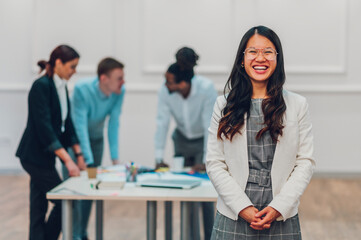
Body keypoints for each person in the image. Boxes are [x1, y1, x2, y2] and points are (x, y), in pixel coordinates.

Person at [206, 25, 315, 239]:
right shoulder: (223, 105)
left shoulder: (297, 104)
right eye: (253, 52)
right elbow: (215, 162)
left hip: (281, 214)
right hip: (233, 213)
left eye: (267, 52)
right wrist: (242, 207)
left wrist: (279, 207)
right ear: (242, 59)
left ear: (277, 58)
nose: (260, 58)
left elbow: (305, 162)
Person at [16, 45, 85, 240]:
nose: (74, 71)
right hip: (33, 155)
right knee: (64, 200)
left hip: (45, 157)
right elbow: (44, 128)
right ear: (58, 63)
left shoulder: (61, 86)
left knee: (39, 204)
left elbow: (67, 124)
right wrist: (67, 161)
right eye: (72, 66)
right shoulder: (41, 86)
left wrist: (78, 155)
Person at [154, 47, 217, 240]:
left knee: (205, 194)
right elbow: (162, 122)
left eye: (169, 82)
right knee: (185, 191)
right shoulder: (166, 93)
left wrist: (207, 160)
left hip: (202, 142)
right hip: (181, 140)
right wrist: (158, 157)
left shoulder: (206, 89)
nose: (165, 85)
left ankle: (209, 237)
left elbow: (210, 125)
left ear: (182, 83)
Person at [63, 57, 125, 240]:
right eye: (119, 78)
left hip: (96, 142)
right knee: (73, 189)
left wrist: (115, 160)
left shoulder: (119, 91)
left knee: (90, 188)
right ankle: (73, 234)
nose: (123, 82)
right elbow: (79, 126)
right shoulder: (83, 90)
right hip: (76, 145)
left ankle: (81, 232)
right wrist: (86, 159)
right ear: (104, 79)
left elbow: (114, 123)